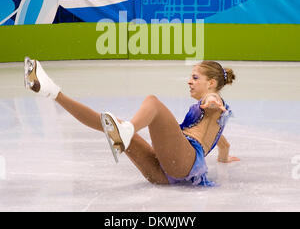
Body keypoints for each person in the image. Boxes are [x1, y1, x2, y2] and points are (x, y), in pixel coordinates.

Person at [24, 57, 239, 186]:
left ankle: (127, 130)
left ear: (211, 83)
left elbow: (212, 101)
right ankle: (52, 92)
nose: (189, 81)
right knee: (108, 123)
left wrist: (211, 102)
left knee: (152, 102)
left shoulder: (213, 101)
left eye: (195, 78)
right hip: (167, 173)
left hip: (182, 163)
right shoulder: (215, 121)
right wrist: (223, 159)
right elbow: (223, 143)